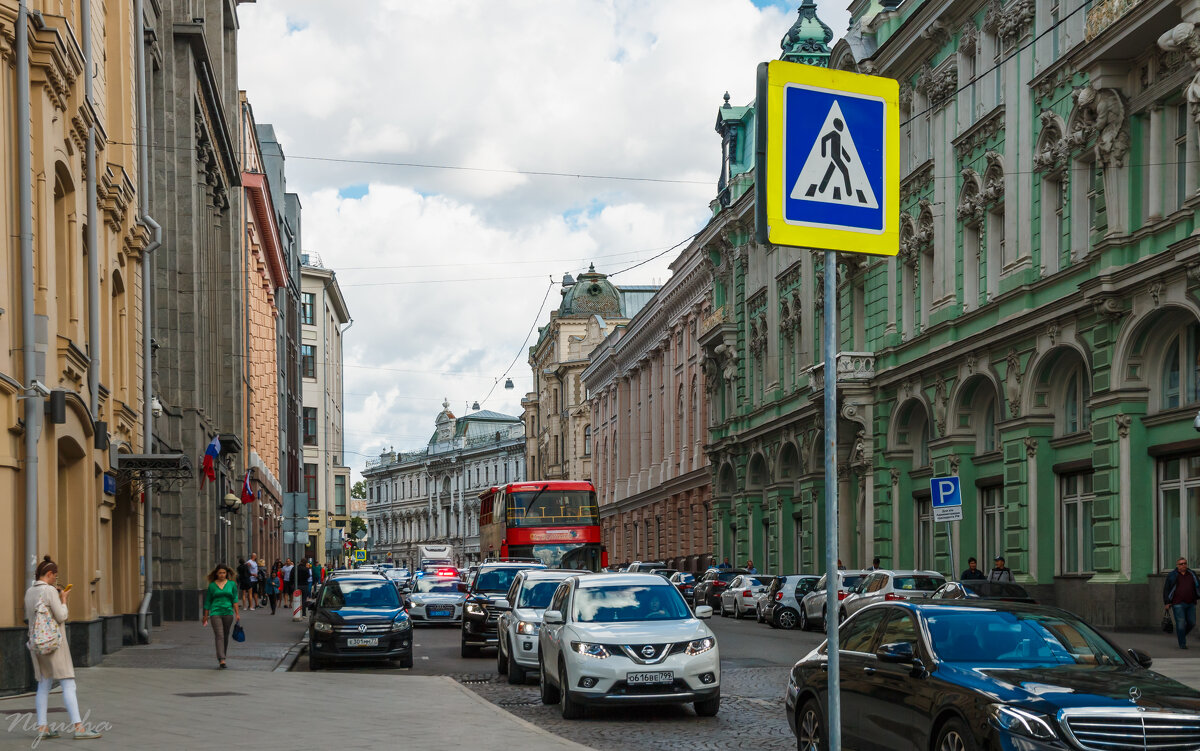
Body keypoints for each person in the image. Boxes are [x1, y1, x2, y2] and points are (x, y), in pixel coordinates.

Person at [25, 556, 102, 741]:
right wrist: (64, 599)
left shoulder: (29, 592)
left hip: (37, 644)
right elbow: (61, 616)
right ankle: (79, 727)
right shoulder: (50, 590)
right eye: (55, 576)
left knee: (43, 684)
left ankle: (42, 727)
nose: (56, 580)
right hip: (54, 644)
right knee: (68, 683)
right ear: (49, 574)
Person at [202, 563, 240, 668]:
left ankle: (223, 655)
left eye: (224, 573)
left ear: (227, 573)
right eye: (220, 573)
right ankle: (222, 659)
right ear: (216, 574)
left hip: (228, 612)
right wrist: (206, 615)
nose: (222, 575)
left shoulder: (232, 584)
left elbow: (235, 599)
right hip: (215, 612)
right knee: (219, 635)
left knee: (225, 635)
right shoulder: (212, 585)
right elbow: (208, 601)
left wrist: (237, 614)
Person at [1164, 556, 1199, 650]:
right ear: (1177, 565)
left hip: (1191, 603)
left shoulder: (1192, 573)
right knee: (1181, 624)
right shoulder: (1172, 575)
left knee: (1192, 623)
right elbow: (1166, 589)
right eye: (1181, 564)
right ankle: (1182, 644)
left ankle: (1181, 635)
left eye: (1185, 563)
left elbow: (1197, 585)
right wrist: (1167, 602)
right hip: (1177, 603)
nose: (1183, 565)